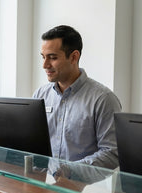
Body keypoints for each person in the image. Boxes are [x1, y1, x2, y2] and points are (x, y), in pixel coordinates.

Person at [33, 25, 122, 170]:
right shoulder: (40, 95)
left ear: (74, 57)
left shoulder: (103, 99)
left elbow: (112, 153)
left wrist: (70, 171)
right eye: (43, 57)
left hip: (85, 189)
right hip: (43, 184)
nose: (45, 65)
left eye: (52, 58)